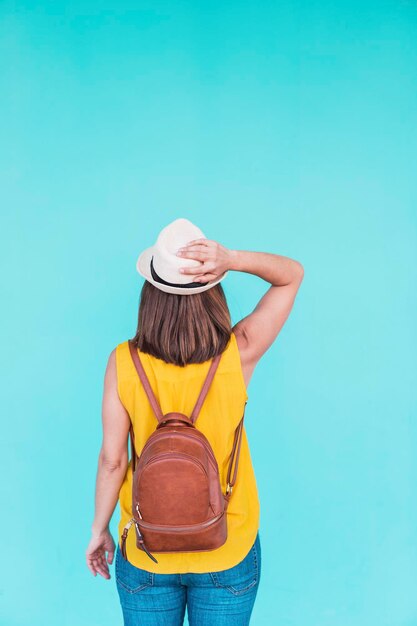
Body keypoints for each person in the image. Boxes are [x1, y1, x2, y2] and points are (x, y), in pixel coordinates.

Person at [85, 218, 304, 625]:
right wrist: (232, 259)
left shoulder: (123, 362)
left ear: (151, 293)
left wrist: (100, 530)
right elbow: (291, 276)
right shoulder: (239, 353)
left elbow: (112, 460)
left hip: (147, 547)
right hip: (227, 544)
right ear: (213, 290)